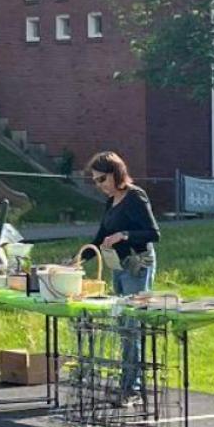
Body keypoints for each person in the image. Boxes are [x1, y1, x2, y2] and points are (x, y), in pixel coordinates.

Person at [86, 151, 164, 400]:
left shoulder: (135, 196)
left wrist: (124, 235)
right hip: (118, 267)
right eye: (95, 181)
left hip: (137, 266)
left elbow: (153, 233)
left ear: (115, 174)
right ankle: (127, 381)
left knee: (132, 326)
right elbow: (100, 236)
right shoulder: (111, 201)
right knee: (123, 326)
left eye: (102, 180)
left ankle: (132, 386)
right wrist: (78, 259)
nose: (100, 186)